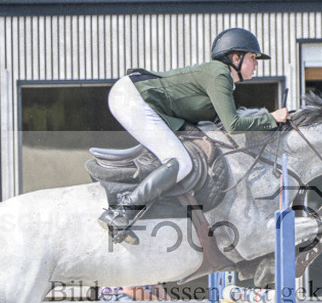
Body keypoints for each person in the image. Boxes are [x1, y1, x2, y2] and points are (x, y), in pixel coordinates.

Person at [98, 27, 290, 244]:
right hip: (132, 99)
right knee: (181, 162)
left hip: (138, 98)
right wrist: (271, 118)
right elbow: (233, 125)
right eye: (253, 58)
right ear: (235, 58)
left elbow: (221, 123)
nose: (256, 64)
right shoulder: (220, 75)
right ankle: (122, 212)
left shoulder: (221, 77)